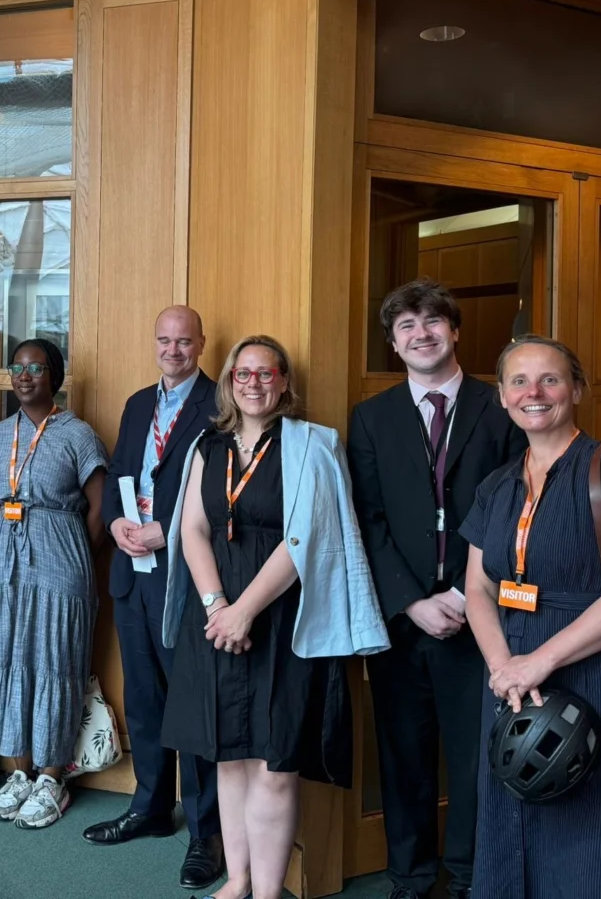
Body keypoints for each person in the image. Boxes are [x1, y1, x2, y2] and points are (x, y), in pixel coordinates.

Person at [162, 335, 388, 899]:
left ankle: (266, 892)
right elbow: (192, 529)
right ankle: (237, 881)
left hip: (284, 615)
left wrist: (244, 611)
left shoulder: (312, 444)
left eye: (267, 373)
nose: (255, 383)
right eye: (244, 374)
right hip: (212, 617)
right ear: (230, 382)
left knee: (274, 762)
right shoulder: (208, 447)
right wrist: (218, 605)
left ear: (284, 381)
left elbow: (306, 538)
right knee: (226, 754)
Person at [459, 335, 601, 899]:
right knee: (515, 832)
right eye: (518, 381)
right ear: (503, 398)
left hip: (599, 673)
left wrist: (539, 661)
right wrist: (503, 667)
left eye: (551, 380)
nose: (534, 392)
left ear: (577, 390)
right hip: (512, 681)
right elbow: (477, 588)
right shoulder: (496, 484)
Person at [345, 279, 527, 899]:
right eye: (406, 327)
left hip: (483, 617)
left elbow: (513, 507)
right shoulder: (370, 418)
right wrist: (413, 601)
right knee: (404, 760)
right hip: (403, 619)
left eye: (431, 322)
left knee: (479, 760)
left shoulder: (498, 406)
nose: (420, 334)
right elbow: (366, 518)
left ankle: (474, 876)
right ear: (394, 345)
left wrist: (460, 594)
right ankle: (412, 877)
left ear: (454, 330)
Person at [82, 305, 224, 890]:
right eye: (164, 340)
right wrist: (115, 521)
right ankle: (149, 807)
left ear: (201, 345)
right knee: (143, 698)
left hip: (184, 571)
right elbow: (121, 470)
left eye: (184, 341)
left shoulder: (220, 404)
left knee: (191, 705)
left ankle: (206, 833)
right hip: (131, 571)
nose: (173, 350)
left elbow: (224, 485)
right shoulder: (140, 402)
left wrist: (167, 527)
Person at [0, 338, 108, 829]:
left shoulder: (78, 434)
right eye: (17, 368)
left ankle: (51, 778)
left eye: (36, 368)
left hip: (61, 554)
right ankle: (19, 772)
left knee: (53, 660)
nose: (25, 376)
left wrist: (71, 555)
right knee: (5, 656)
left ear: (55, 375)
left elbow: (98, 510)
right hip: (5, 556)